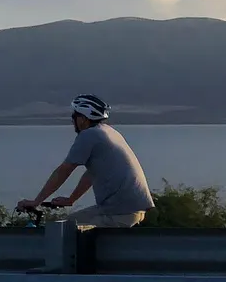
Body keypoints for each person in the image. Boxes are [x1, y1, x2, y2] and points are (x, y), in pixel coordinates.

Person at [18, 94, 155, 228]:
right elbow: (91, 174)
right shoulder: (107, 131)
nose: (73, 120)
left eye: (75, 116)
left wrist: (36, 201)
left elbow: (64, 171)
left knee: (65, 232)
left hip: (119, 212)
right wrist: (71, 199)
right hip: (128, 209)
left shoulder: (89, 135)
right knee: (69, 223)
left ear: (83, 119)